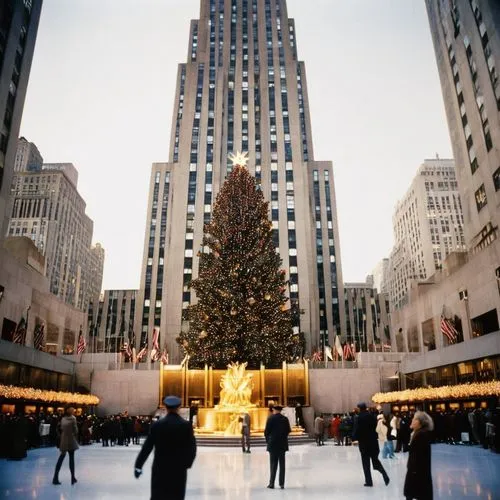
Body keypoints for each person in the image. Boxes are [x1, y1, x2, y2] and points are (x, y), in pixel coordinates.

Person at [134, 395, 197, 500]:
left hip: (160, 468)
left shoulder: (157, 425)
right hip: (178, 469)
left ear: (166, 408)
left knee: (159, 496)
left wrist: (138, 466)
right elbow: (192, 448)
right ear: (179, 408)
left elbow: (147, 447)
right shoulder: (185, 426)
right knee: (176, 496)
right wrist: (187, 464)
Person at [352, 402, 390, 488]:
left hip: (364, 444)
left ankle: (369, 481)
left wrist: (354, 438)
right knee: (375, 461)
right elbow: (376, 428)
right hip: (373, 443)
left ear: (359, 408)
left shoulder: (359, 418)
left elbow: (357, 430)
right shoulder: (371, 416)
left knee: (366, 463)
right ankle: (384, 474)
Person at [404, 411, 434, 500]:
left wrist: (413, 470)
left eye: (415, 419)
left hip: (417, 472)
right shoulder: (418, 433)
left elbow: (419, 456)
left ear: (420, 422)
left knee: (414, 493)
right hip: (417, 471)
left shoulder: (421, 435)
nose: (412, 420)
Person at [264, 404, 291, 490]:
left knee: (273, 464)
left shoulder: (270, 418)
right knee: (282, 464)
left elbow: (266, 432)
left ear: (274, 410)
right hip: (282, 444)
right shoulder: (285, 419)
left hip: (273, 444)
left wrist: (268, 441)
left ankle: (271, 483)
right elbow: (288, 431)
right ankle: (281, 483)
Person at [52, 407, 79, 485]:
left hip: (64, 439)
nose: (73, 410)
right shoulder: (73, 418)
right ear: (68, 410)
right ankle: (72, 477)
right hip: (70, 439)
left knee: (61, 458)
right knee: (71, 459)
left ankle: (55, 477)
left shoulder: (62, 418)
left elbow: (60, 428)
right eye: (72, 409)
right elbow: (76, 430)